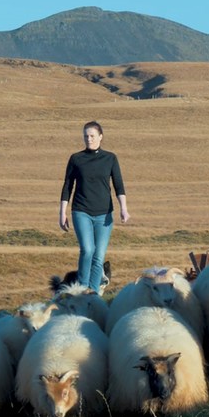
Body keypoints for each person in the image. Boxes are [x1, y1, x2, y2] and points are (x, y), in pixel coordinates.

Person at [59, 121, 130, 293]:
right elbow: (68, 185)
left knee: (98, 256)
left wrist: (124, 208)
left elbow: (118, 185)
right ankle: (83, 290)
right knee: (87, 250)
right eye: (86, 136)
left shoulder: (110, 158)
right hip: (81, 211)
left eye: (92, 136)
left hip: (104, 214)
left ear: (100, 137)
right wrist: (62, 212)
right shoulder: (76, 159)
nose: (88, 139)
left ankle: (94, 293)